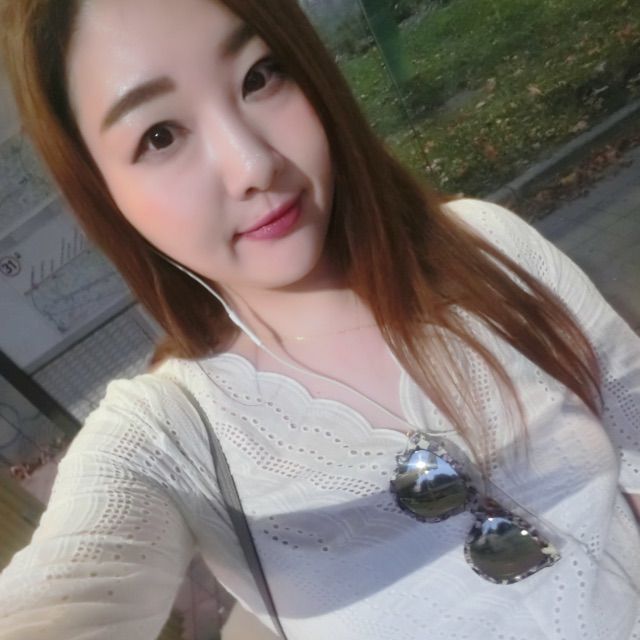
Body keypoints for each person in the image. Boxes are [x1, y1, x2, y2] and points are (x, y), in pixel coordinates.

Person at [0, 0, 639, 638]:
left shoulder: (486, 246)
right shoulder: (169, 436)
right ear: (104, 193)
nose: (253, 165)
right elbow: (65, 598)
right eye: (160, 136)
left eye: (259, 77)